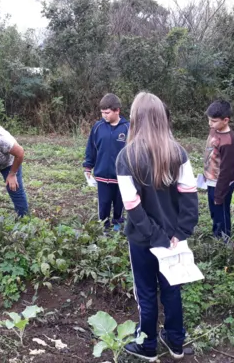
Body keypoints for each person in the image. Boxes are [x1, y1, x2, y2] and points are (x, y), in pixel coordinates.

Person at [116, 92, 199, 361]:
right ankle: (176, 342)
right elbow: (190, 197)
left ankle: (148, 345)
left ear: (135, 118)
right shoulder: (179, 152)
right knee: (172, 290)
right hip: (173, 240)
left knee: (146, 292)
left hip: (142, 240)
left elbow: (132, 206)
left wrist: (155, 236)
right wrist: (178, 233)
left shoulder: (126, 157)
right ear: (162, 117)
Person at [84, 93, 130, 231]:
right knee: (103, 204)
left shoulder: (128, 128)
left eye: (107, 113)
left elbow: (134, 152)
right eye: (102, 112)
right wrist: (87, 167)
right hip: (102, 174)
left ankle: (117, 227)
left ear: (117, 111)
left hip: (121, 176)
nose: (104, 116)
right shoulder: (98, 127)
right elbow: (91, 148)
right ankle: (103, 228)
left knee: (119, 203)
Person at [203, 99, 234, 238]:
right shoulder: (214, 130)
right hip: (212, 181)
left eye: (213, 121)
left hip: (221, 184)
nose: (210, 124)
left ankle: (224, 240)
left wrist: (220, 193)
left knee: (221, 213)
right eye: (209, 120)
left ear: (226, 120)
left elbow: (227, 171)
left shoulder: (228, 142)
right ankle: (216, 234)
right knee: (214, 211)